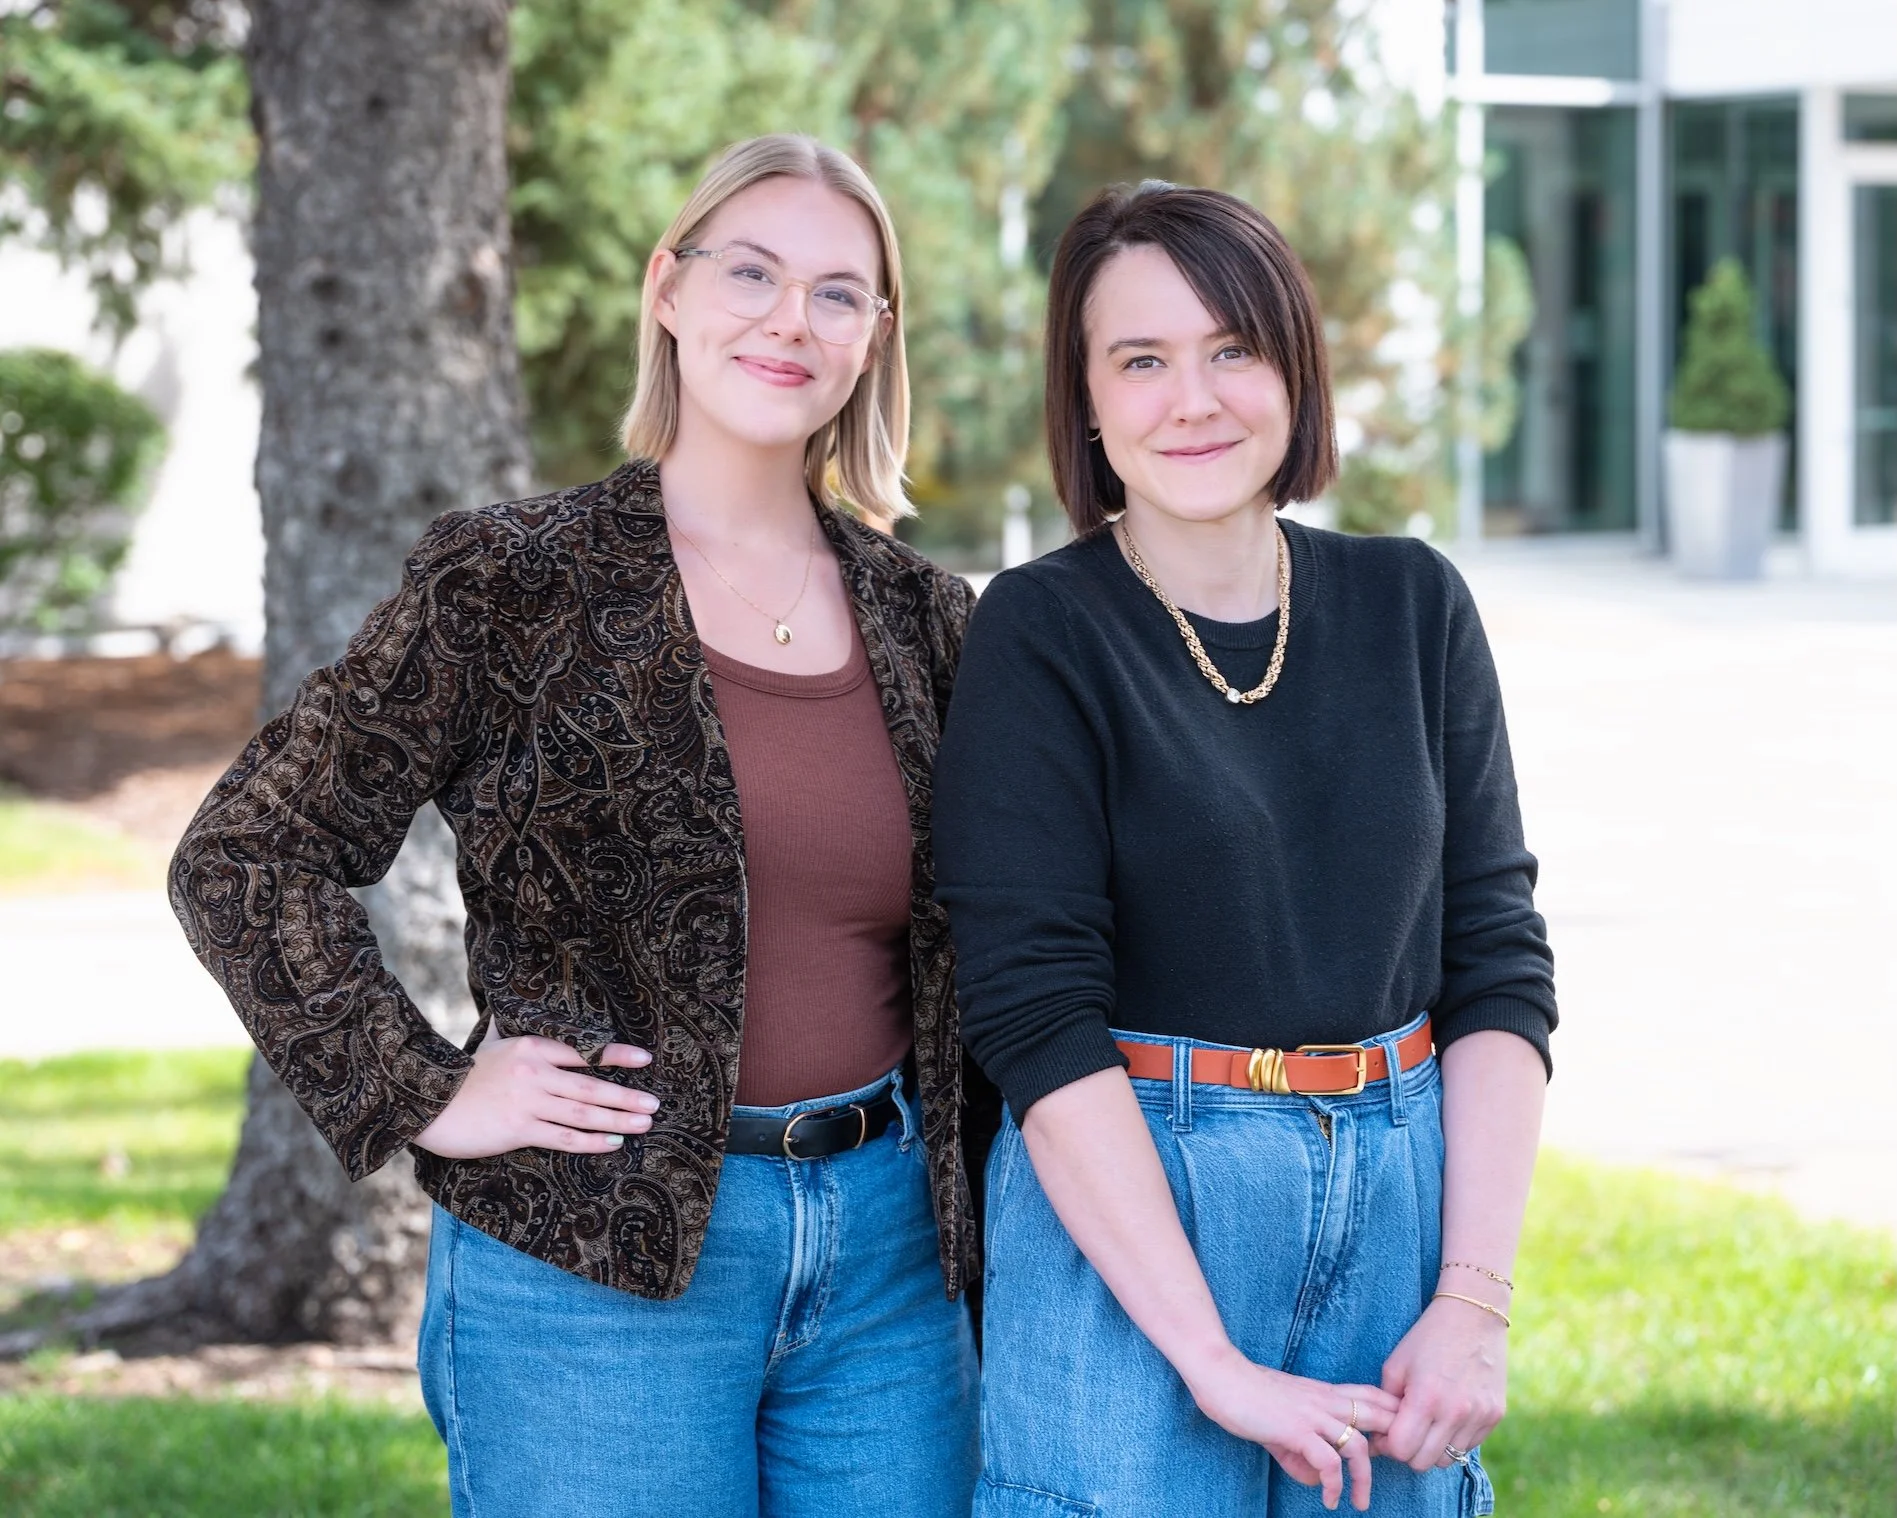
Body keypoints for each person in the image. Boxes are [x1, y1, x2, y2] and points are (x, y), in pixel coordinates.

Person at [170, 134, 986, 1518]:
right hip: (592, 1262)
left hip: (890, 1269)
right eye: (751, 271)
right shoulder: (514, 581)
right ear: (668, 289)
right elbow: (248, 851)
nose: (792, 319)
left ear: (874, 341)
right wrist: (426, 1087)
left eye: (839, 292)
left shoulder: (933, 621)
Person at [933, 181, 1556, 1516]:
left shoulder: (1414, 605)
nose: (1194, 398)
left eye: (1233, 348)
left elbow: (1498, 964)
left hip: (1400, 1200)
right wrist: (1208, 1358)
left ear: (1296, 366)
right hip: (1140, 1211)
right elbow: (1037, 1022)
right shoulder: (1039, 633)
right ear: (1087, 401)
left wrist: (1473, 1297)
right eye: (1141, 360)